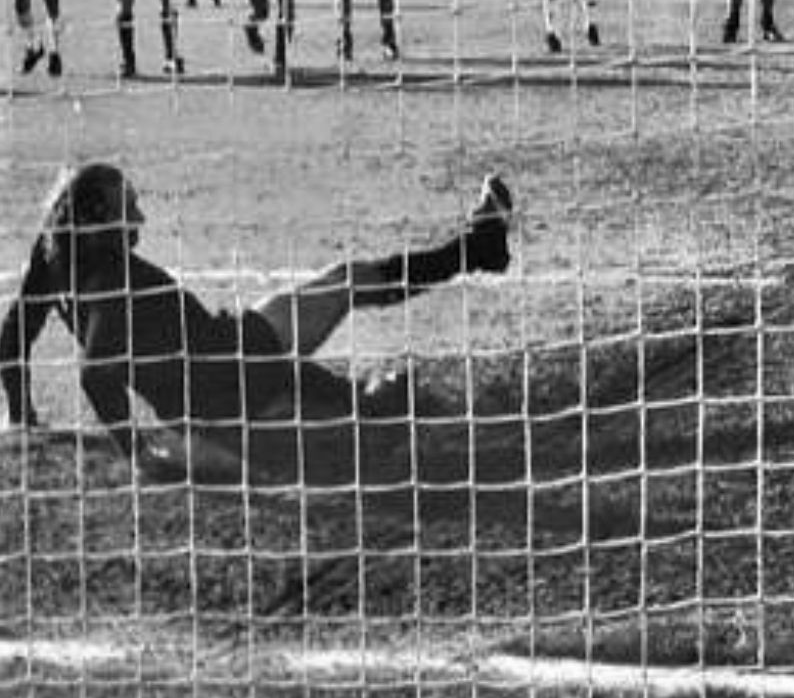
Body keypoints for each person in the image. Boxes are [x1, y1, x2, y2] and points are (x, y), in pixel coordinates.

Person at [0, 162, 514, 486]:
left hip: (212, 375)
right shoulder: (113, 279)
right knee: (349, 285)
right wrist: (135, 452)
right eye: (127, 208)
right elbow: (94, 372)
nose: (140, 219)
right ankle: (477, 248)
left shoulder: (53, 253)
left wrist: (21, 412)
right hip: (235, 368)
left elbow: (13, 336)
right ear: (96, 219)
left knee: (327, 369)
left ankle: (370, 399)